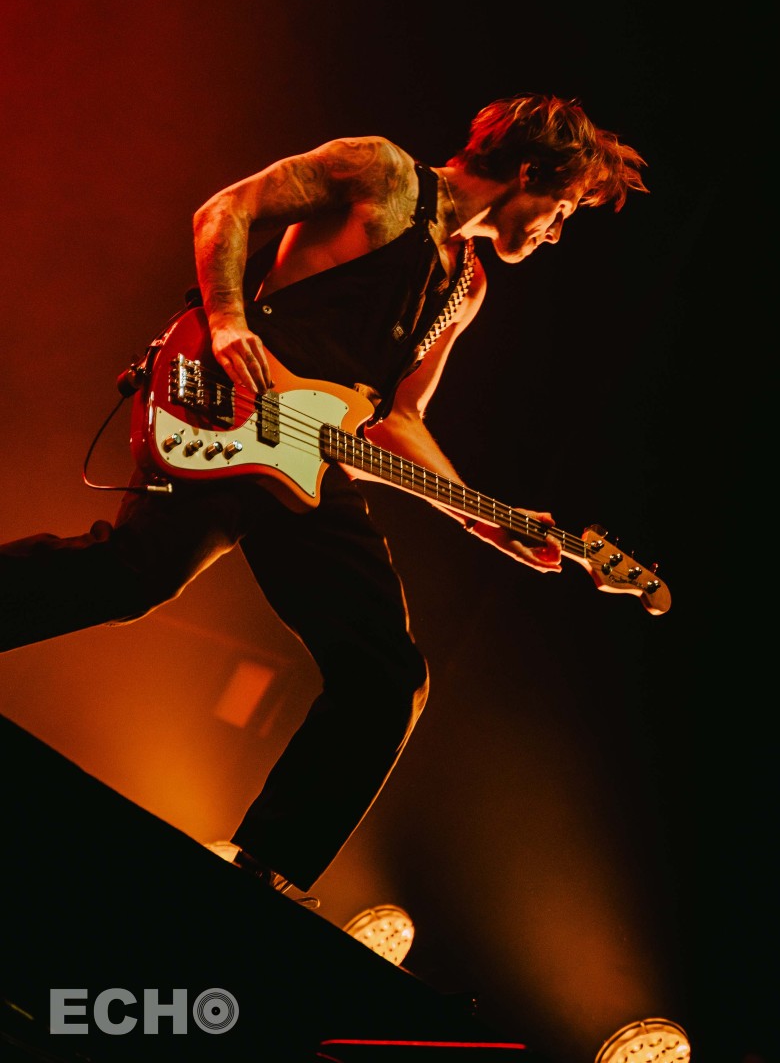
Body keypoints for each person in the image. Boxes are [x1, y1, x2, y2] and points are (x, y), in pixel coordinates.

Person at [0, 93, 648, 897]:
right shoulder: (380, 171)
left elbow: (396, 419)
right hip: (226, 407)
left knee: (386, 674)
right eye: (566, 208)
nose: (556, 232)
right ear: (528, 172)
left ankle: (263, 874)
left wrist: (479, 516)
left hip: (309, 463)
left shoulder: (465, 286)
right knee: (136, 574)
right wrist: (229, 321)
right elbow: (225, 211)